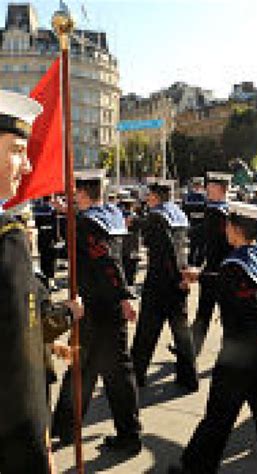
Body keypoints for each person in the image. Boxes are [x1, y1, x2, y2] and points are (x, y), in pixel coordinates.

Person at [168, 202, 257, 474]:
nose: (225, 229)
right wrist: (201, 277)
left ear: (236, 229)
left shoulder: (236, 265)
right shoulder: (256, 257)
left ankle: (194, 467)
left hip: (238, 356)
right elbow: (231, 282)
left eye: (228, 225)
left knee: (218, 418)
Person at [0, 89, 83, 473]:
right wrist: (37, 443)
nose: (28, 166)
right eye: (18, 149)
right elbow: (15, 359)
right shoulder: (7, 237)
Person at [52, 170, 142, 456]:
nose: (73, 197)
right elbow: (123, 255)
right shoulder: (112, 215)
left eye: (75, 192)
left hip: (97, 306)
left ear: (82, 194)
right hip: (106, 305)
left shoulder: (87, 223)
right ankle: (66, 427)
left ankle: (124, 436)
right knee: (91, 369)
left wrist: (123, 296)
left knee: (101, 371)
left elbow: (107, 262)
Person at [131, 180, 198, 391]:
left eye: (149, 195)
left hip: (160, 280)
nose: (147, 199)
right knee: (181, 332)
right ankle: (189, 378)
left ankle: (136, 375)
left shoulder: (156, 216)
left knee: (146, 332)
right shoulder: (178, 213)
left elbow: (165, 251)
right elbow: (183, 247)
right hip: (178, 277)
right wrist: (183, 276)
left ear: (156, 197)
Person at [188, 172, 233, 356]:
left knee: (219, 313)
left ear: (221, 190)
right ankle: (192, 347)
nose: (207, 188)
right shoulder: (223, 209)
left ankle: (195, 349)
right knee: (206, 311)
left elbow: (204, 234)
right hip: (218, 266)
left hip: (218, 268)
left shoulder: (218, 211)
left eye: (211, 186)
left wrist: (185, 231)